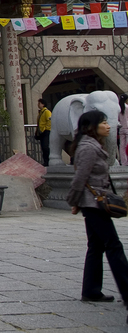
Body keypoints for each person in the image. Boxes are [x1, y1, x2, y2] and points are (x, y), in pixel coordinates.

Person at [67, 110, 128, 314]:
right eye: (103, 122)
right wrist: (74, 201)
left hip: (93, 202)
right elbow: (79, 178)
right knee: (113, 245)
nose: (108, 125)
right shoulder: (88, 148)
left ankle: (91, 290)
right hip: (94, 203)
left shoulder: (92, 145)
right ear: (91, 127)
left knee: (96, 245)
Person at [37, 99, 52, 166]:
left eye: (39, 103)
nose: (38, 104)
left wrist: (45, 129)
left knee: (46, 147)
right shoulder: (40, 113)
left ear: (43, 104)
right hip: (42, 132)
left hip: (46, 131)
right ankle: (45, 161)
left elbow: (49, 121)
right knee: (43, 147)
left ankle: (48, 161)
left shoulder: (46, 112)